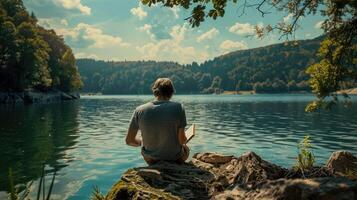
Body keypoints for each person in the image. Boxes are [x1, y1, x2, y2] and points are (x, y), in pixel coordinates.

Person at [125, 78, 189, 165]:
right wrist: (186, 138)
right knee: (186, 148)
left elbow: (129, 140)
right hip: (174, 158)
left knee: (145, 150)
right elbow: (182, 141)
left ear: (155, 91)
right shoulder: (179, 108)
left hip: (151, 159)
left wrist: (141, 141)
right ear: (171, 92)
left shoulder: (139, 110)